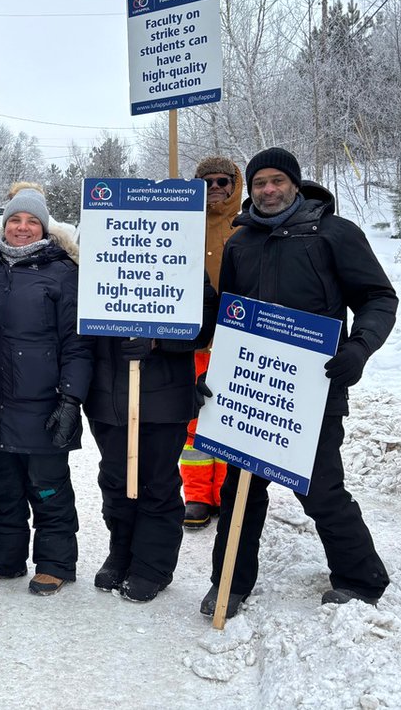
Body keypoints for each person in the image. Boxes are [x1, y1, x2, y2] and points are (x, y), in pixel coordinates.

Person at [201, 148, 397, 618]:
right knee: (240, 490)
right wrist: (216, 369)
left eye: (277, 181)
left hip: (313, 388)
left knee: (320, 487)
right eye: (260, 182)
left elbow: (377, 297)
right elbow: (229, 313)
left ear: (294, 183)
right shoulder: (240, 241)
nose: (268, 190)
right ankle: (228, 581)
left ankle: (360, 578)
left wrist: (359, 347)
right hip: (251, 389)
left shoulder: (332, 233)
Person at [0, 183, 93, 596]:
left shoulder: (63, 273)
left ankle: (55, 562)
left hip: (43, 404)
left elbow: (78, 344)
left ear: (44, 228)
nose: (22, 228)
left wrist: (70, 400)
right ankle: (3, 558)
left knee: (47, 487)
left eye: (31, 221)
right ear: (3, 225)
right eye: (14, 220)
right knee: (1, 488)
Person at [84, 262, 217, 602]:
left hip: (165, 394)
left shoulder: (182, 259)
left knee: (156, 481)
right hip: (109, 392)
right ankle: (121, 552)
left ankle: (151, 564)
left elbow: (204, 327)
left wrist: (159, 338)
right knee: (115, 478)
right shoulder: (100, 256)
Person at [181, 157, 243, 529]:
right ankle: (198, 494)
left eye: (223, 180)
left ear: (236, 184)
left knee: (230, 419)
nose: (215, 187)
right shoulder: (184, 223)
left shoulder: (248, 225)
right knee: (194, 419)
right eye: (207, 181)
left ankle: (228, 492)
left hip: (235, 339)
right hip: (193, 340)